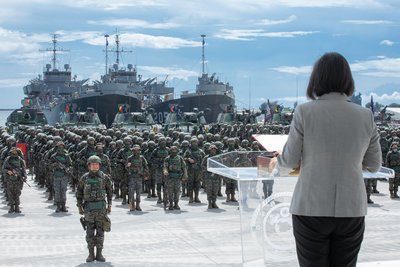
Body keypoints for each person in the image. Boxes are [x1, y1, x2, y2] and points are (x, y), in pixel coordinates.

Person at [275, 52, 382, 267]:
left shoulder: (304, 111)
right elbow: (374, 165)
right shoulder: (365, 115)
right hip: (351, 208)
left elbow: (288, 162)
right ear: (348, 80)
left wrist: (274, 165)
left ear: (316, 79)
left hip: (311, 207)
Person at [76, 155, 113, 262]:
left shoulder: (104, 177)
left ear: (99, 165)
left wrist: (109, 205)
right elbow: (79, 192)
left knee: (101, 232)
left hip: (101, 209)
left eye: (96, 164)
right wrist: (79, 206)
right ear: (89, 166)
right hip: (89, 209)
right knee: (90, 232)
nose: (95, 166)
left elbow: (110, 191)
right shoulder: (84, 178)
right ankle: (91, 254)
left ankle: (99, 254)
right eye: (92, 164)